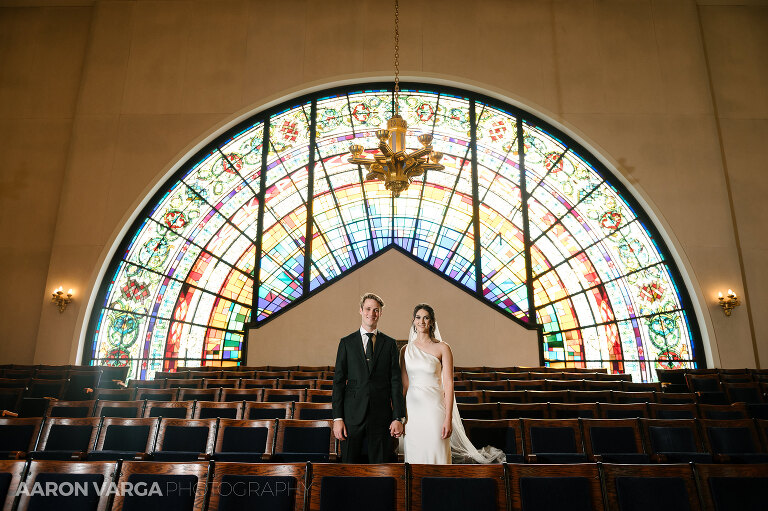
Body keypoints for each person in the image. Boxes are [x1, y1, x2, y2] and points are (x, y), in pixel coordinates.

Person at [401, 303, 505, 464]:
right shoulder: (405, 350)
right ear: (413, 321)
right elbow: (404, 385)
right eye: (418, 317)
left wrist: (448, 418)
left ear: (432, 322)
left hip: (434, 407)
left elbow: (448, 384)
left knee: (437, 449)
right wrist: (400, 417)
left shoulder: (443, 348)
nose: (422, 321)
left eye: (426, 318)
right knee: (415, 454)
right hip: (412, 410)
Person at [332, 293, 406, 463]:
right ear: (360, 310)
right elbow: (338, 383)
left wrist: (397, 417)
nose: (371, 313)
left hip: (381, 417)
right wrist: (338, 418)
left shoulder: (389, 344)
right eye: (368, 309)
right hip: (351, 416)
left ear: (380, 313)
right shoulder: (346, 343)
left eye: (376, 310)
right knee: (349, 467)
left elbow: (396, 383)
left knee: (380, 469)